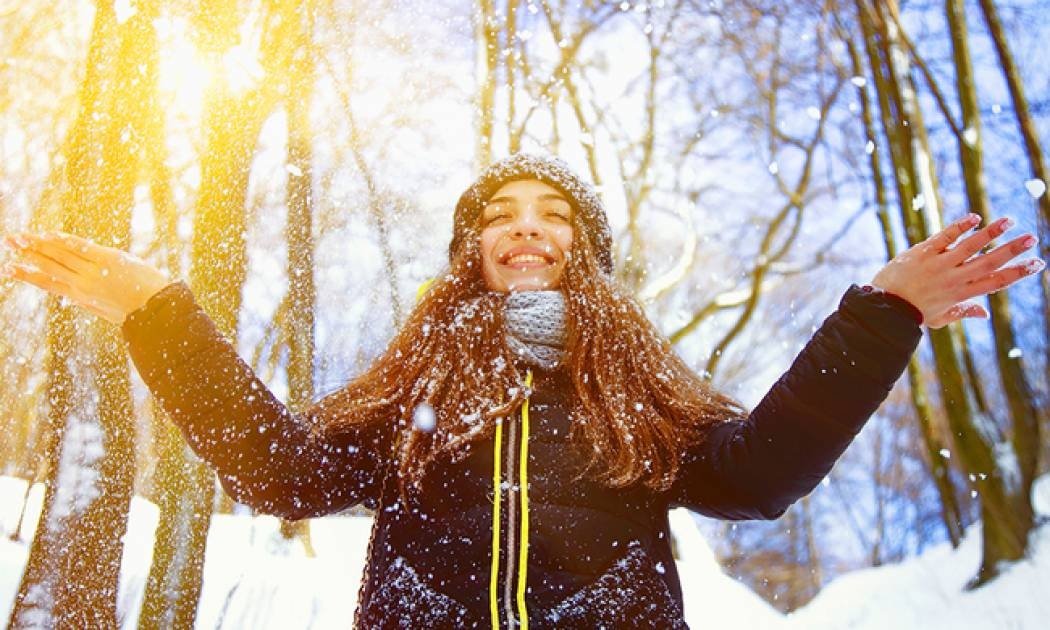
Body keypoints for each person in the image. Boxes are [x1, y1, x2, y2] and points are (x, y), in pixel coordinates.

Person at [1, 153, 1043, 629]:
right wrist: (159, 315)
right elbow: (284, 471)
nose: (527, 227)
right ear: (474, 249)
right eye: (502, 214)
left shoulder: (634, 384)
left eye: (554, 215)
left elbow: (758, 476)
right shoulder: (415, 381)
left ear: (581, 251)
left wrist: (883, 313)